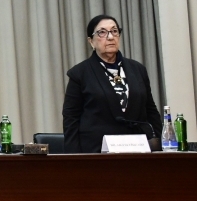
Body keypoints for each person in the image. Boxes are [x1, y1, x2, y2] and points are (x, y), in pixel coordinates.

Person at [62, 14, 161, 153]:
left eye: (114, 31)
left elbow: (151, 110)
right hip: (96, 151)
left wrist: (161, 144)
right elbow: (71, 118)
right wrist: (75, 157)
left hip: (138, 149)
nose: (110, 37)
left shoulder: (137, 69)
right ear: (91, 41)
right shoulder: (79, 73)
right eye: (102, 32)